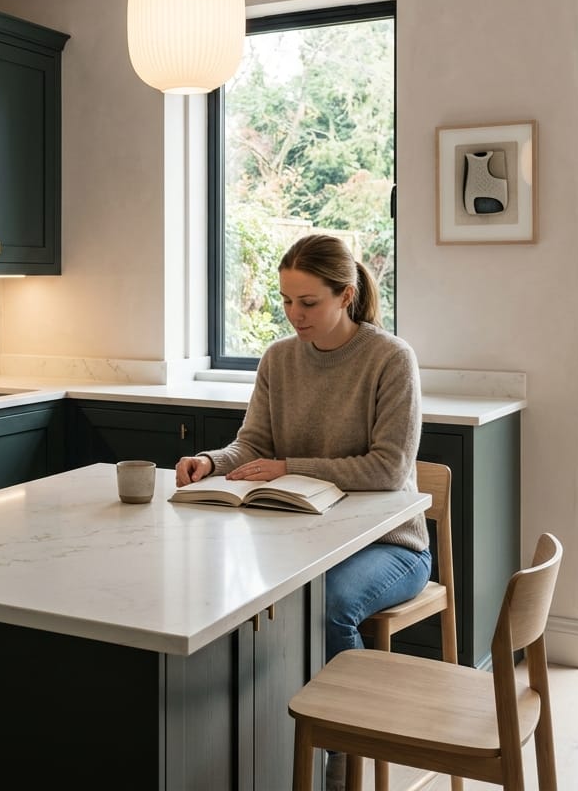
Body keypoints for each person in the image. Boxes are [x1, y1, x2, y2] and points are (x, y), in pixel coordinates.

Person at [176, 234, 431, 788]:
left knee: (329, 605)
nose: (295, 315)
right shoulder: (279, 358)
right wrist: (210, 460)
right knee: (236, 597)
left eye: (308, 302)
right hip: (299, 535)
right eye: (287, 301)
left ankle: (343, 757)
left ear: (345, 294)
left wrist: (290, 464)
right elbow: (252, 444)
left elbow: (388, 469)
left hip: (391, 546)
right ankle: (266, 740)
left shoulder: (391, 358)